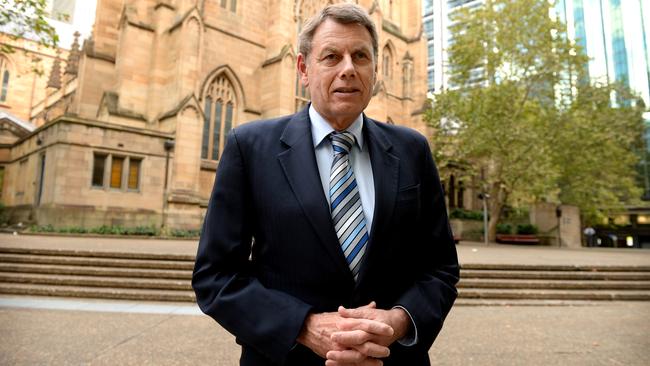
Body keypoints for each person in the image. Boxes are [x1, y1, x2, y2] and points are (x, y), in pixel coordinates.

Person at [192, 3, 459, 365]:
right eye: (331, 56)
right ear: (304, 68)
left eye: (360, 56)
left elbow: (440, 267)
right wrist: (303, 326)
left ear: (375, 70)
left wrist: (398, 321)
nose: (348, 69)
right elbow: (215, 276)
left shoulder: (412, 149)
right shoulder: (250, 147)